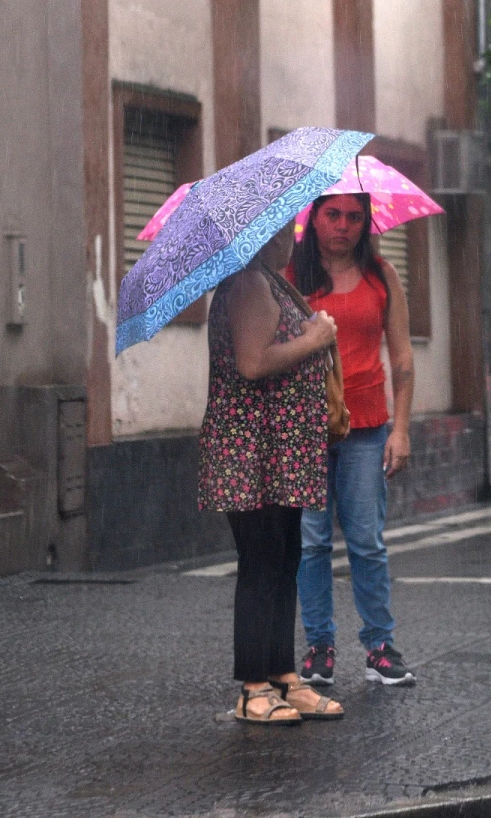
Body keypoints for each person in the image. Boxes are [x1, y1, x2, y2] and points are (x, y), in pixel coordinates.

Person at [198, 224, 344, 724]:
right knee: (261, 562)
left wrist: (313, 331)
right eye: (285, 227)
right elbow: (253, 363)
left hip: (278, 450)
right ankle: (252, 687)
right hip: (251, 449)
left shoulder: (273, 281)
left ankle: (283, 675)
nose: (293, 235)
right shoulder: (248, 284)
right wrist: (315, 338)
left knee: (285, 559)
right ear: (262, 233)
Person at [289, 193, 417, 687]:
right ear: (315, 219)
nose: (343, 225)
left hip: (366, 428)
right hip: (306, 429)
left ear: (366, 223)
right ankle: (319, 647)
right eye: (333, 214)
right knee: (312, 543)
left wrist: (400, 429)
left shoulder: (382, 276)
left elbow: (402, 358)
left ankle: (380, 646)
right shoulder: (293, 278)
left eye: (354, 217)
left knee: (366, 541)